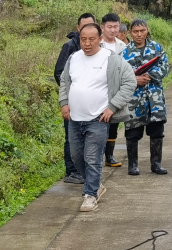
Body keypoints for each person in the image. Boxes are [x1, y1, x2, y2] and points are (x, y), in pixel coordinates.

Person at [59, 23, 137, 212]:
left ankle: (90, 195)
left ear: (100, 39)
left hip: (98, 119)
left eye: (91, 39)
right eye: (83, 39)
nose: (87, 43)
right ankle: (95, 186)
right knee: (76, 157)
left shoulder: (111, 59)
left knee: (92, 158)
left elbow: (130, 82)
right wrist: (64, 102)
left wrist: (112, 107)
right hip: (75, 119)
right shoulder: (74, 58)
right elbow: (64, 81)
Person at [122, 19, 170, 175]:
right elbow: (119, 74)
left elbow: (165, 66)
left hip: (154, 99)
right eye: (135, 31)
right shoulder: (124, 52)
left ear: (147, 30)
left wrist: (149, 76)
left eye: (142, 31)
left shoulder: (156, 48)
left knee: (157, 131)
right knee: (133, 132)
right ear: (130, 33)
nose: (139, 34)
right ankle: (133, 165)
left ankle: (156, 164)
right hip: (134, 99)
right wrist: (135, 79)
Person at [55, 13, 97, 184]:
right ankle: (71, 171)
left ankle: (85, 171)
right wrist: (71, 93)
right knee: (72, 137)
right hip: (73, 103)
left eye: (91, 26)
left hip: (91, 105)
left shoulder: (99, 49)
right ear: (78, 28)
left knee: (89, 137)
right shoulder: (70, 47)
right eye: (84, 27)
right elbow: (59, 73)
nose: (87, 30)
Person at [100, 13, 127, 167]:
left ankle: (109, 156)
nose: (113, 30)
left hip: (116, 91)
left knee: (114, 123)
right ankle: (97, 155)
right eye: (109, 27)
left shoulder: (122, 46)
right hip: (100, 90)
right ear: (102, 27)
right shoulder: (97, 44)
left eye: (116, 27)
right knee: (99, 124)